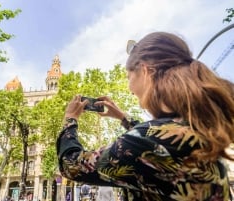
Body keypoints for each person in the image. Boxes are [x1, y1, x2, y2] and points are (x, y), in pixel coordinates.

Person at [56, 31, 234, 201]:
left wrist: (70, 119)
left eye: (128, 77)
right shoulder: (198, 128)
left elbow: (71, 166)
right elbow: (158, 140)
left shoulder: (143, 142)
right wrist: (123, 118)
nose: (129, 87)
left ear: (145, 71)